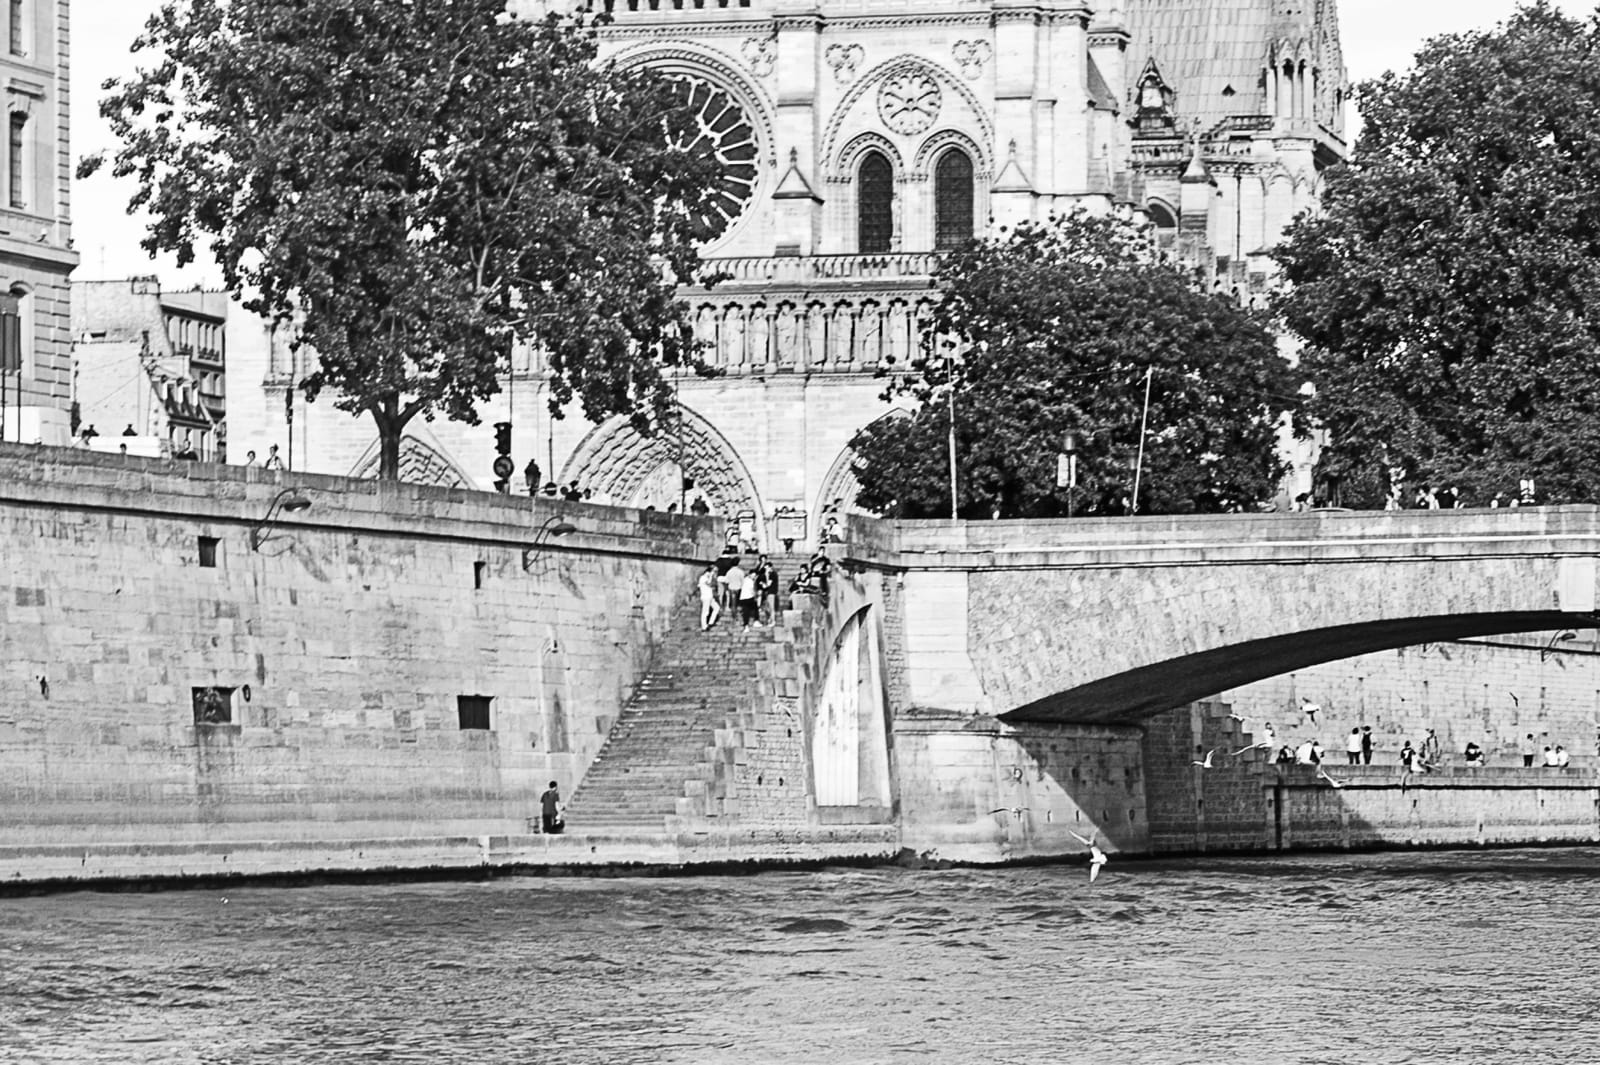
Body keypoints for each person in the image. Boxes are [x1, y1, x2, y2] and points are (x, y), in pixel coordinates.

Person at [697, 563, 722, 631]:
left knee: (716, 608)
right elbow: (709, 584)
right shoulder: (703, 578)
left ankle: (711, 622)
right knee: (705, 612)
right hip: (706, 597)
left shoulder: (708, 578)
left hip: (710, 596)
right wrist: (711, 576)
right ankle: (704, 626)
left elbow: (713, 584)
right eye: (714, 571)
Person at [756, 554, 779, 625]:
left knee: (771, 607)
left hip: (771, 592)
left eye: (767, 568)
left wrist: (763, 584)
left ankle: (773, 620)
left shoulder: (773, 574)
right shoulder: (766, 575)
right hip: (767, 592)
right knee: (766, 607)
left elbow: (768, 584)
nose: (766, 570)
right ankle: (769, 619)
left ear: (770, 567)